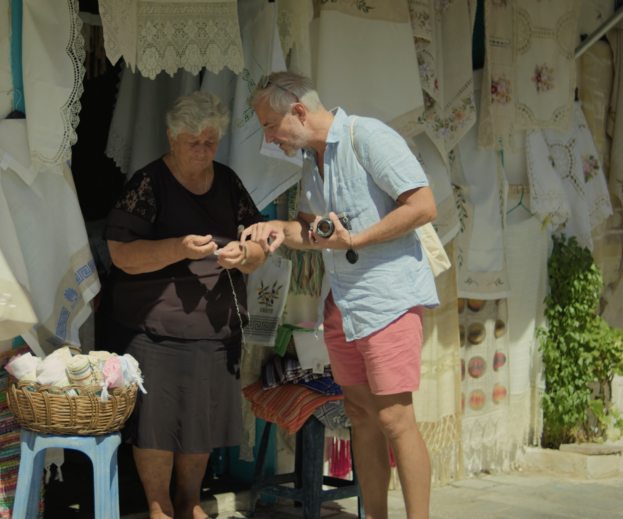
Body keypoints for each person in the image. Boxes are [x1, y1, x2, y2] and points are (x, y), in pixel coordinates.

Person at [240, 72, 439, 519]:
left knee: (394, 419)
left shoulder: (366, 136)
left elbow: (424, 205)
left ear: (298, 110)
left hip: (387, 299)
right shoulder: (312, 161)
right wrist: (280, 230)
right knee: (360, 416)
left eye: (270, 126)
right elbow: (313, 234)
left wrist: (358, 240)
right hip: (343, 305)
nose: (270, 139)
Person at [100, 91, 268, 519]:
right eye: (193, 141)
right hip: (153, 329)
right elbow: (120, 253)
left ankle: (190, 502)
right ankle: (158, 507)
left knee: (200, 420)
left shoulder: (228, 182)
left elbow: (259, 245)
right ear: (172, 137)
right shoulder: (149, 182)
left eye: (210, 141)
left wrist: (244, 257)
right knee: (155, 422)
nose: (202, 150)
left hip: (215, 330)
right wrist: (178, 247)